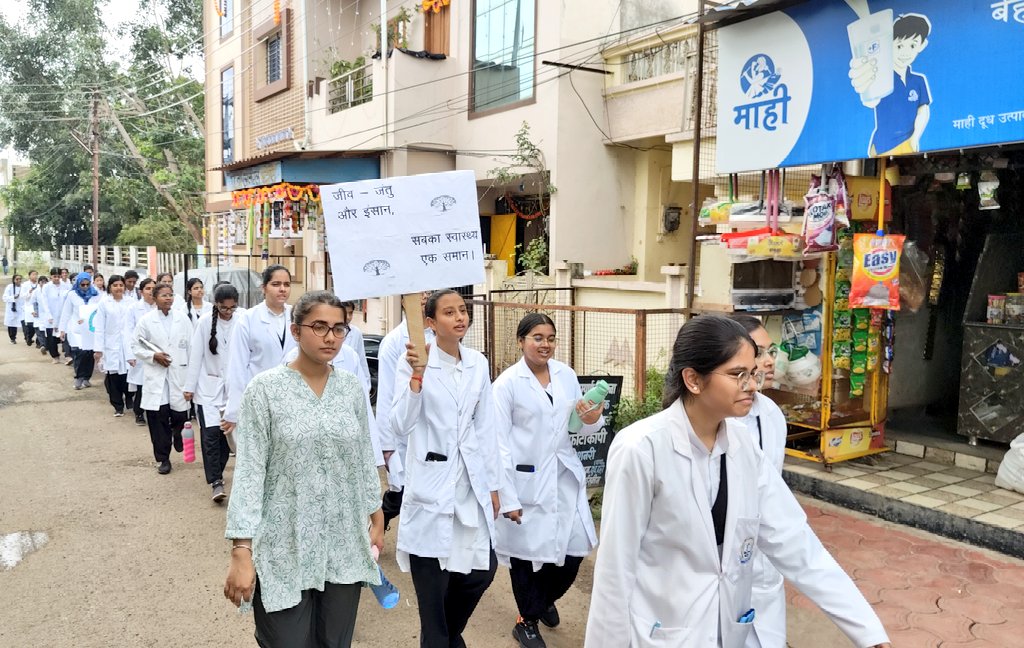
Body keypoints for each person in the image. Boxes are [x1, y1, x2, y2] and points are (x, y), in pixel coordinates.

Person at [585, 315, 890, 648]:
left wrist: (869, 633)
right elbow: (615, 571)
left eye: (752, 373)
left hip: (727, 632)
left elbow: (797, 544)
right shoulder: (641, 449)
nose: (752, 385)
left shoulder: (743, 447)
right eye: (737, 374)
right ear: (693, 379)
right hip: (662, 635)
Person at [223, 290, 384, 648]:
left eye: (339, 329)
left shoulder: (350, 388)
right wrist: (241, 549)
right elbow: (250, 472)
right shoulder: (265, 390)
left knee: (335, 641)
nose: (330, 337)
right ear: (296, 331)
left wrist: (375, 513)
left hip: (342, 539)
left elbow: (361, 454)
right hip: (284, 541)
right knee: (286, 641)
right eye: (319, 327)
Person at [390, 289, 513, 648]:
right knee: (433, 593)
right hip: (431, 484)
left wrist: (494, 486)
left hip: (470, 482)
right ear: (430, 322)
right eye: (449, 312)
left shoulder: (477, 362)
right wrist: (417, 378)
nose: (460, 317)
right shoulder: (414, 361)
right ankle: (441, 638)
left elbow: (487, 428)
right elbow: (400, 424)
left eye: (462, 310)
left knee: (481, 572)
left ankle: (449, 636)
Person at [493, 313, 602, 648]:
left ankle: (540, 601)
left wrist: (592, 418)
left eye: (551, 338)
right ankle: (526, 621)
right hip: (524, 480)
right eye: (537, 338)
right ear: (521, 341)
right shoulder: (507, 385)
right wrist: (507, 497)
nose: (545, 344)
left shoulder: (565, 375)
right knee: (524, 556)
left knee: (574, 551)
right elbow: (498, 445)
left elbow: (577, 425)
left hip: (562, 475)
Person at [730, 315, 790, 648]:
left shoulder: (772, 415)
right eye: (760, 352)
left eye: (771, 351)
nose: (768, 361)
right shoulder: (716, 420)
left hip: (764, 562)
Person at [376, 291, 436, 527]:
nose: (424, 297)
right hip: (404, 434)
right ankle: (376, 528)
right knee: (400, 494)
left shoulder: (440, 336)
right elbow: (386, 394)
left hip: (434, 431)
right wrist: (386, 444)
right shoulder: (394, 342)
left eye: (428, 292)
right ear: (403, 301)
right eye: (418, 293)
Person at [222, 265, 295, 435]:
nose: (282, 289)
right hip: (259, 398)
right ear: (263, 288)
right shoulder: (248, 319)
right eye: (276, 284)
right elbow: (237, 367)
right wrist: (233, 411)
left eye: (286, 284)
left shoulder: (297, 316)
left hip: (293, 399)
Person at [185, 283, 241, 503]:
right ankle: (216, 481)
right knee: (210, 436)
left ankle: (219, 472)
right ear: (216, 304)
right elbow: (196, 356)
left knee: (226, 436)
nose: (228, 312)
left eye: (232, 307)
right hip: (207, 389)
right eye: (223, 307)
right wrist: (189, 387)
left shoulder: (242, 320)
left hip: (233, 389)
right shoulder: (205, 322)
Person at [850, 13, 932, 156]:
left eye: (912, 45)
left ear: (922, 45)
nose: (905, 52)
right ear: (889, 45)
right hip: (883, 146)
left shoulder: (918, 81)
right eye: (899, 46)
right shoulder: (882, 77)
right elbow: (871, 101)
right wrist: (864, 83)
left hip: (908, 144)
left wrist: (915, 138)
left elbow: (923, 111)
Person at [132, 283, 193, 475]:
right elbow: (136, 346)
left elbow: (192, 346)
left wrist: (192, 376)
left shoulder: (182, 318)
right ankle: (163, 458)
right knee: (158, 418)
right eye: (164, 295)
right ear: (155, 298)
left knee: (180, 414)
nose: (168, 298)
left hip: (179, 372)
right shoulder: (146, 321)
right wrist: (153, 356)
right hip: (156, 374)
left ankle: (178, 434)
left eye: (170, 295)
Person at [93, 275, 133, 417]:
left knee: (128, 374)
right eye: (115, 285)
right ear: (110, 287)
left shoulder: (131, 302)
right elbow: (99, 327)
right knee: (113, 376)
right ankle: (118, 405)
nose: (118, 288)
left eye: (121, 285)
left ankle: (129, 398)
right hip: (110, 344)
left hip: (128, 344)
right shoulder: (104, 303)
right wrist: (98, 349)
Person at [59, 272, 99, 390]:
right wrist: (62, 329)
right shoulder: (72, 295)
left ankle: (86, 377)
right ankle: (79, 377)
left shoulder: (96, 294)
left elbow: (99, 311)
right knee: (79, 353)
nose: (85, 287)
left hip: (90, 329)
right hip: (76, 329)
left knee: (89, 354)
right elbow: (66, 312)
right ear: (78, 284)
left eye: (87, 284)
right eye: (82, 285)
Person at [126, 278, 157, 426]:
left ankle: (155, 413)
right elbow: (128, 332)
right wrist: (130, 354)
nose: (151, 291)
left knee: (156, 384)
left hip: (157, 351)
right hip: (139, 351)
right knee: (141, 385)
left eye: (153, 288)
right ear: (141, 291)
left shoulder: (161, 308)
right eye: (148, 288)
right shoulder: (133, 308)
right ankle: (139, 412)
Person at [340, 301, 371, 381]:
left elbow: (362, 360)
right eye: (345, 313)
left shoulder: (356, 332)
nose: (348, 317)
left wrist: (366, 382)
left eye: (350, 313)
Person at [30, 275, 51, 353]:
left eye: (45, 282)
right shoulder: (36, 291)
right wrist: (33, 311)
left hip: (48, 314)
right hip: (39, 314)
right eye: (42, 282)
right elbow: (32, 302)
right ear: (39, 283)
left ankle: (46, 345)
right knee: (39, 330)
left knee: (47, 330)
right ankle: (43, 345)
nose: (44, 284)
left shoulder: (49, 291)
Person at [3, 273, 23, 344]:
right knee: (12, 324)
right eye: (17, 279)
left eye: (20, 279)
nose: (19, 280)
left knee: (24, 323)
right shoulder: (9, 287)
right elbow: (4, 298)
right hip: (12, 308)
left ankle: (28, 338)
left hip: (21, 308)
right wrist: (13, 297)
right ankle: (12, 338)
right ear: (13, 280)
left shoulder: (23, 287)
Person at [21, 270, 39, 347]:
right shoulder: (25, 285)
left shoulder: (39, 284)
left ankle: (39, 342)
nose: (35, 276)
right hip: (29, 306)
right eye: (33, 274)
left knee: (39, 325)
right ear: (29, 276)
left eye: (36, 274)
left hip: (37, 307)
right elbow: (22, 296)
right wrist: (29, 292)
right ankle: (29, 337)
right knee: (31, 325)